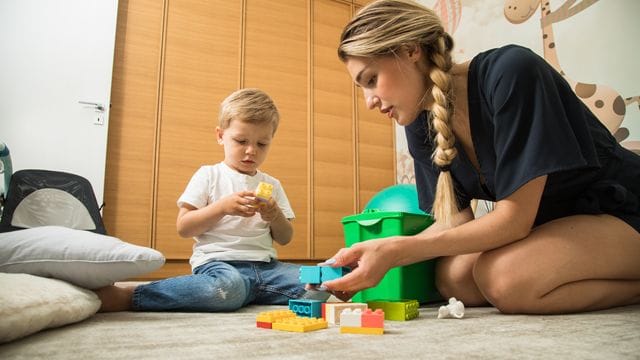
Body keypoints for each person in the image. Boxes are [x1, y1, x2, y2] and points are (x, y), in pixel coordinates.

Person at [318, 0, 640, 314]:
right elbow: (454, 222)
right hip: (557, 223)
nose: (369, 102)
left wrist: (396, 251)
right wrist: (370, 254)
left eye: (371, 80)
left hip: (621, 211)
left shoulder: (512, 72)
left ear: (410, 50)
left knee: (505, 279)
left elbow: (514, 221)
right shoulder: (420, 120)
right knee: (453, 278)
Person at [95, 88, 313, 312]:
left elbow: (285, 238)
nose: (251, 151)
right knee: (226, 288)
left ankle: (245, 293)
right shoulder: (208, 175)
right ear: (220, 136)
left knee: (318, 284)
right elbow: (184, 227)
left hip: (268, 269)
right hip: (219, 265)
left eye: (262, 144)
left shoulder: (273, 184)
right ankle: (133, 295)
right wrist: (221, 208)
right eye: (241, 141)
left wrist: (274, 215)